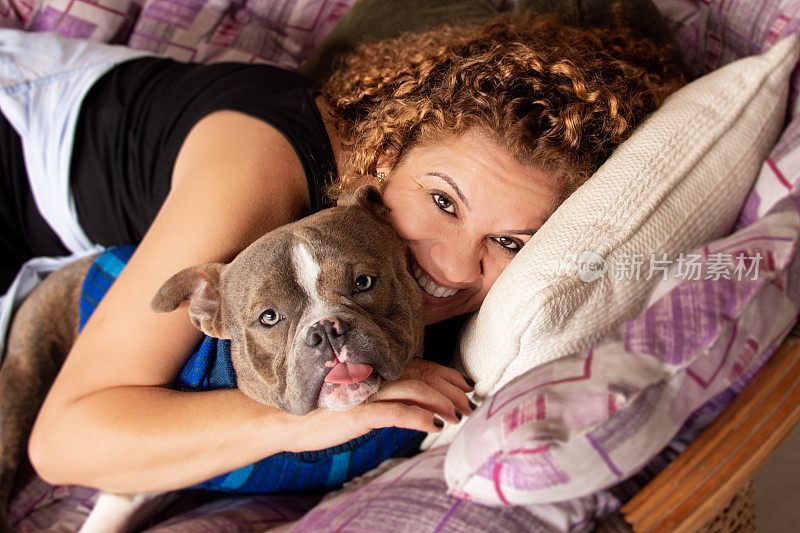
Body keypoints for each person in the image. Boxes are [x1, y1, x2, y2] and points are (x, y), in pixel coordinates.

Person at [0, 11, 685, 494]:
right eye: (443, 201)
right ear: (383, 159)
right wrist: (311, 418)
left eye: (508, 242)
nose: (447, 267)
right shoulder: (263, 179)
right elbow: (66, 440)